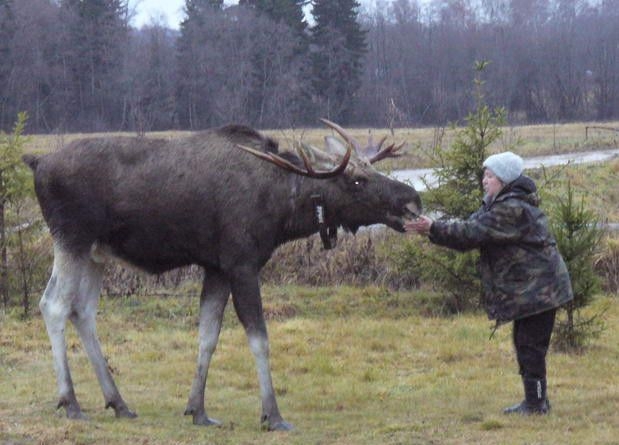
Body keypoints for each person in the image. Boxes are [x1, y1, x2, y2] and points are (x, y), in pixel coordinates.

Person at [405, 151, 573, 415]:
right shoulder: (498, 204)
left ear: (504, 180)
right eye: (484, 175)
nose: (484, 180)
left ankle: (537, 404)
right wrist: (434, 228)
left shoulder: (511, 209)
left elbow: (471, 233)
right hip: (533, 288)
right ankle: (535, 400)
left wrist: (433, 228)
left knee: (530, 345)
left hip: (542, 289)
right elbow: (470, 226)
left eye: (490, 176)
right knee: (525, 342)